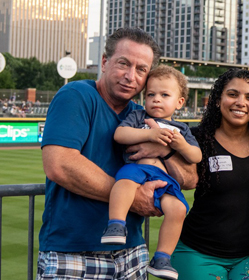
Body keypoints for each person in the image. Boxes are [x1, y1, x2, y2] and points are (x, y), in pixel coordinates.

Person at [37, 27, 198, 279]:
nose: (130, 76)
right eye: (123, 63)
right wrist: (131, 197)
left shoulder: (146, 116)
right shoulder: (77, 95)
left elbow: (190, 179)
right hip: (73, 252)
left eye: (141, 69)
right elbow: (60, 164)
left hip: (133, 251)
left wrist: (164, 151)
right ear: (104, 62)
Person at [101, 65, 202, 280]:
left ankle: (162, 258)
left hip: (163, 177)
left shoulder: (181, 129)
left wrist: (180, 145)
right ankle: (116, 225)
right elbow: (120, 134)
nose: (156, 99)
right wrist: (150, 134)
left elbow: (196, 156)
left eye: (165, 95)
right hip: (137, 169)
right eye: (151, 94)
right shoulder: (138, 116)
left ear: (179, 102)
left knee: (178, 208)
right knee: (124, 184)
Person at [170, 68, 249, 280]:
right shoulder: (195, 139)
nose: (241, 102)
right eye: (233, 94)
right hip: (197, 252)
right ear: (217, 100)